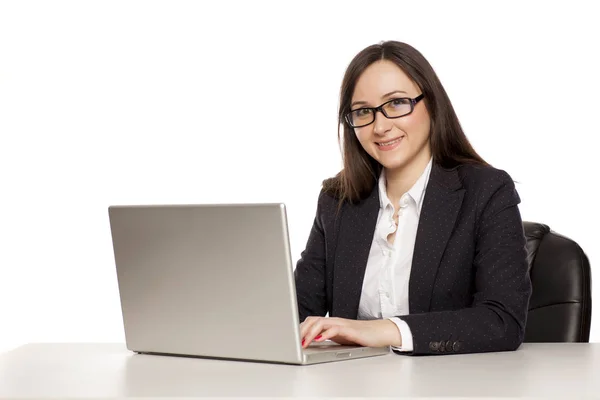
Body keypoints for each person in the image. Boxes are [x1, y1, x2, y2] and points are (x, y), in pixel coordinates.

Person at [294, 41, 532, 355]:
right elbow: (293, 311)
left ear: (431, 103)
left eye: (396, 103)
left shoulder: (486, 191)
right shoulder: (337, 201)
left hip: (450, 386)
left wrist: (384, 330)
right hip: (351, 385)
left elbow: (502, 321)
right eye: (363, 111)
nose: (380, 126)